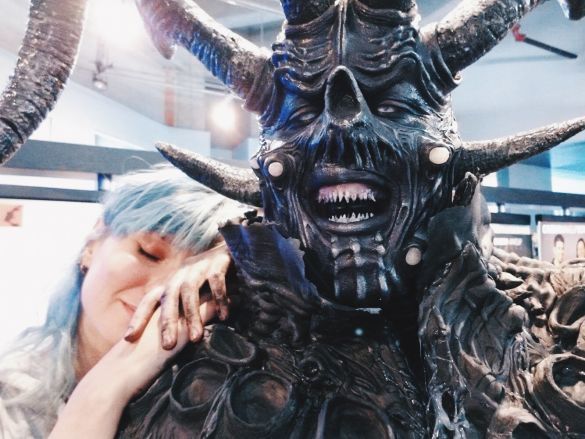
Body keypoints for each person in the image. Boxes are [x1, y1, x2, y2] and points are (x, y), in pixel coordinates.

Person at [0, 167, 248, 438]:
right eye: (149, 253)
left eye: (194, 282)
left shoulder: (214, 402)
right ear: (93, 243)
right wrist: (104, 389)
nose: (161, 290)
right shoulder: (9, 395)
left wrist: (238, 252)